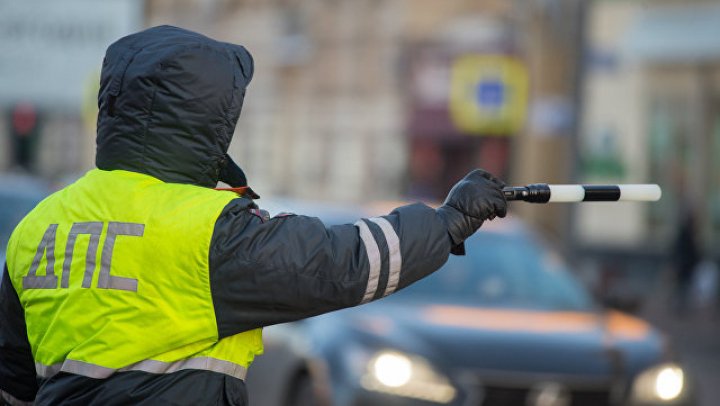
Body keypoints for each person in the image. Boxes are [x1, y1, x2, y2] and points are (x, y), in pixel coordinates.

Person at [0, 26, 507, 405]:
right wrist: (447, 223)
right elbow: (341, 263)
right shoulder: (207, 229)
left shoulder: (39, 226)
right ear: (208, 122)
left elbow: (13, 378)